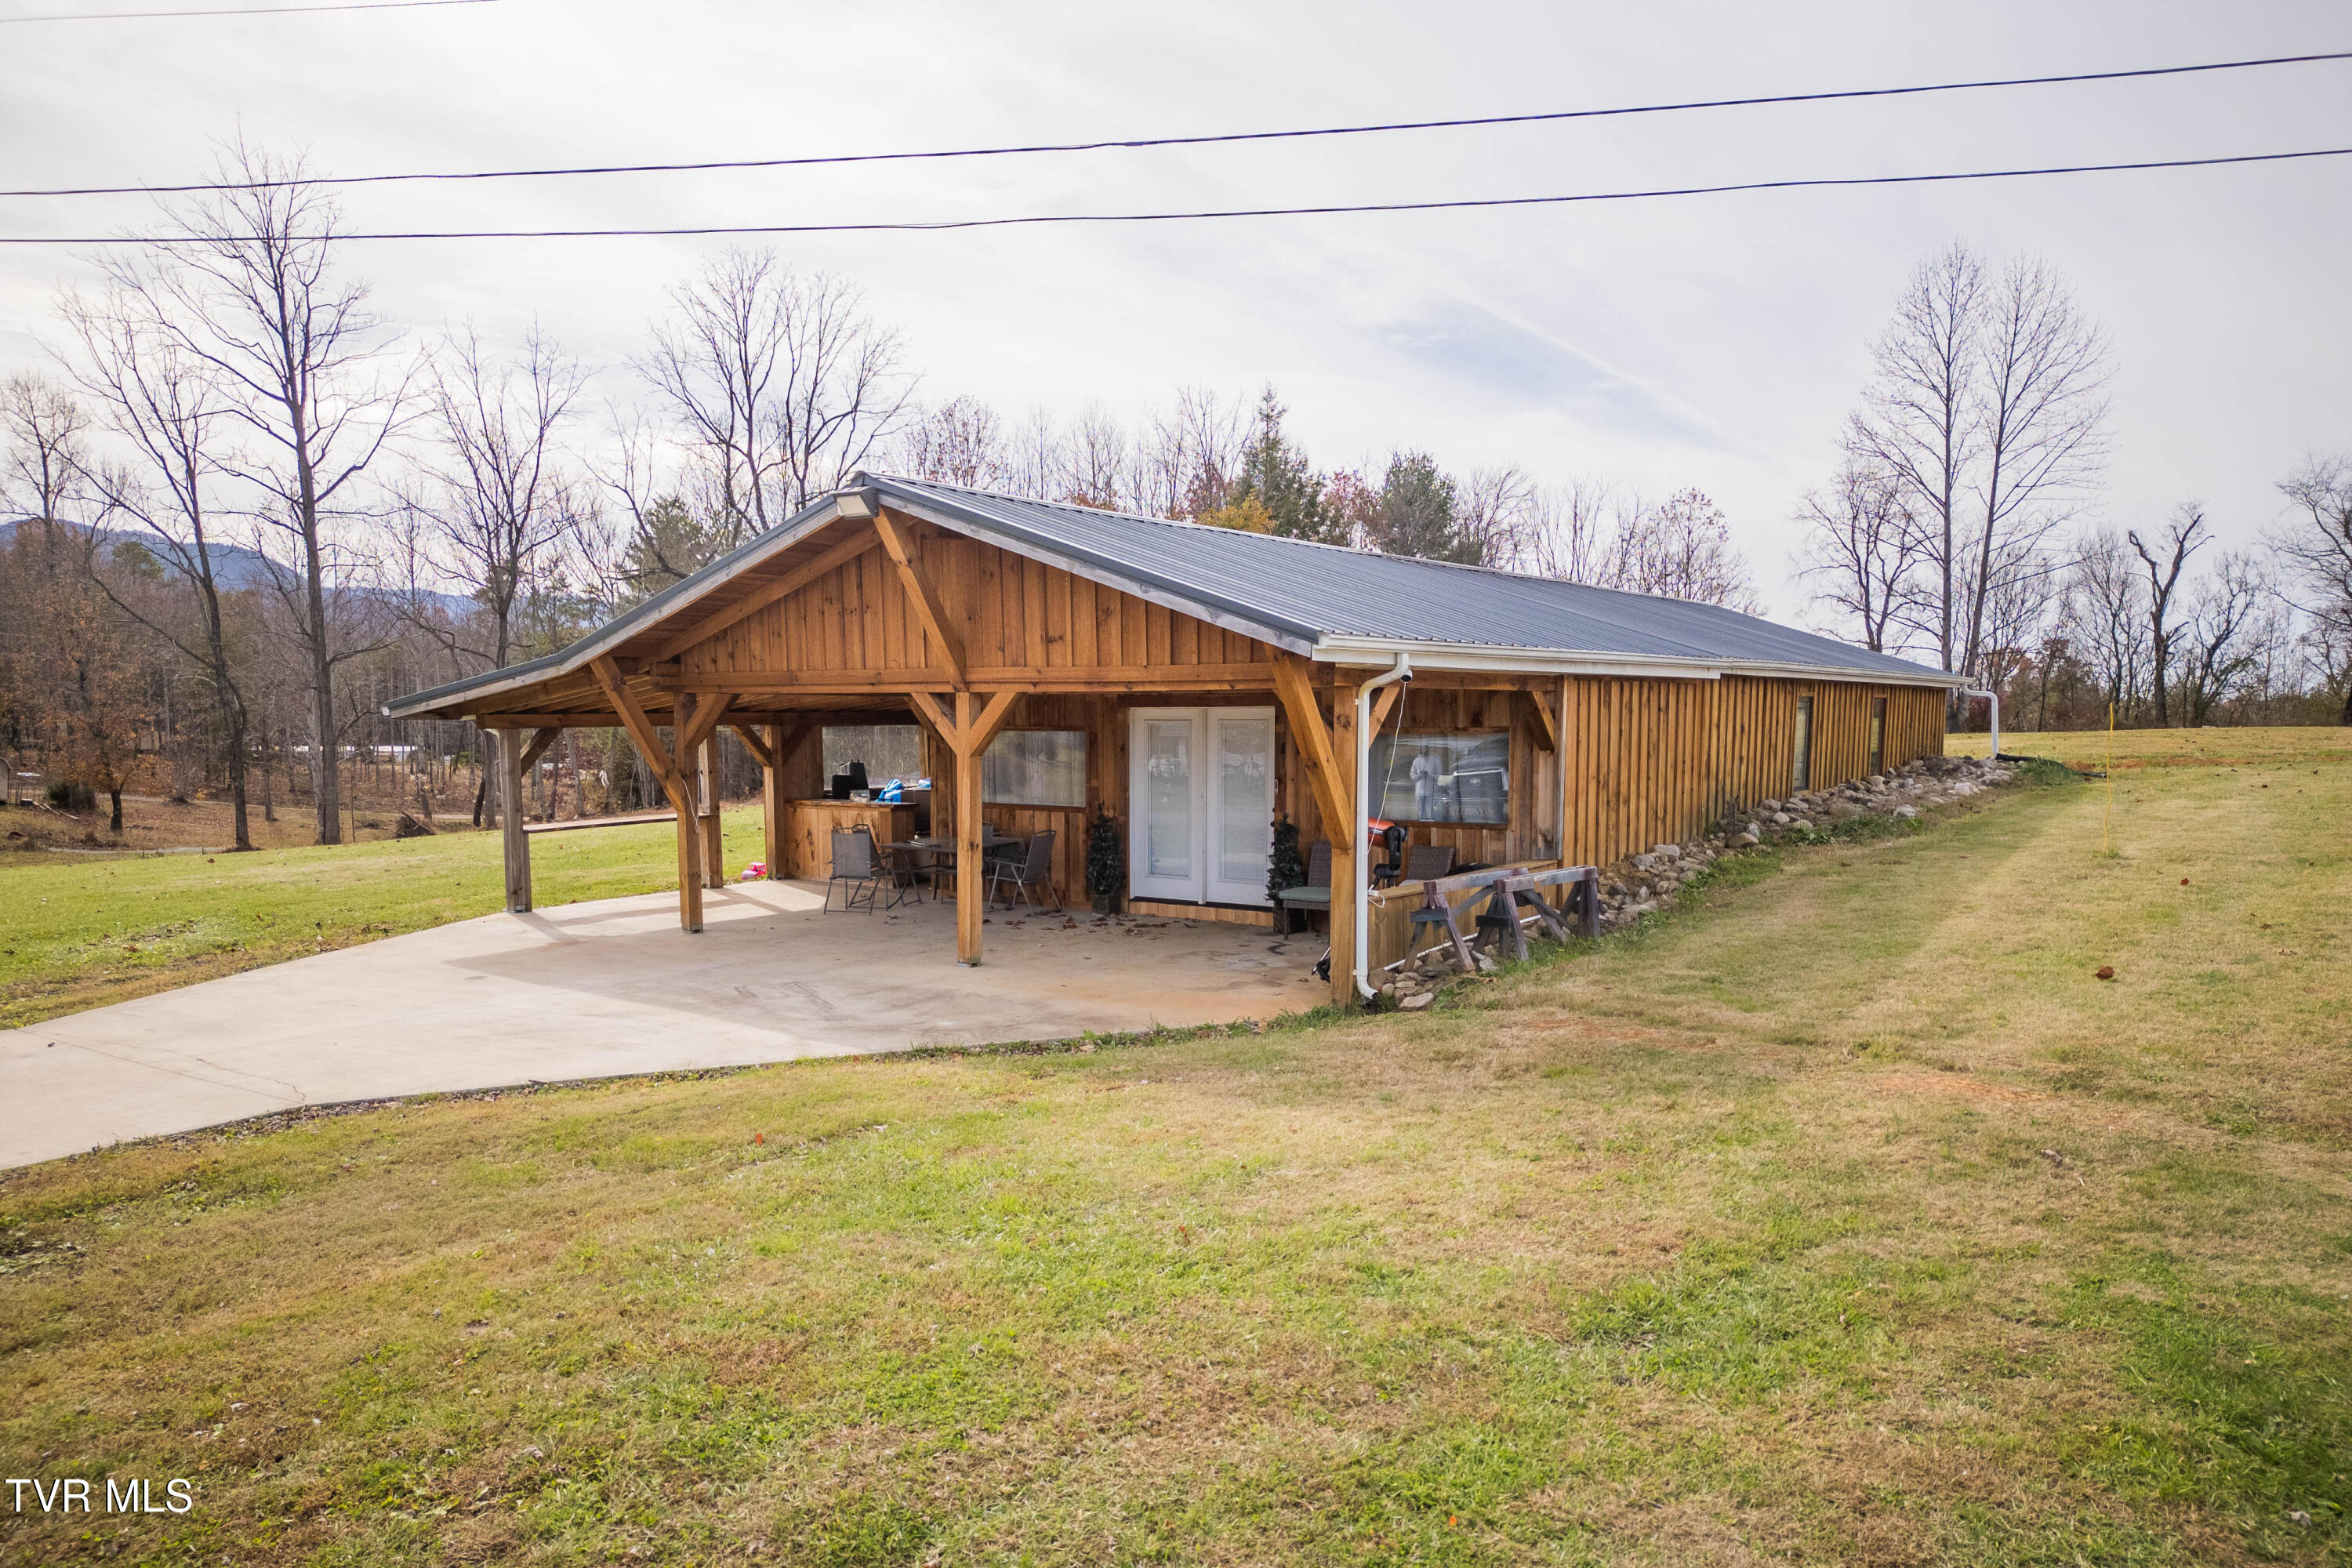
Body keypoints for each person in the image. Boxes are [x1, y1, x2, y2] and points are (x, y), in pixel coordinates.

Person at [1410, 746, 1442, 821]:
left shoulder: (1435, 761)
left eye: (1425, 748)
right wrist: (1419, 776)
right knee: (1421, 810)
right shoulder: (1416, 761)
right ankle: (1422, 823)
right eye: (1422, 748)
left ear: (1429, 749)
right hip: (1420, 791)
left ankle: (1432, 823)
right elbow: (1412, 775)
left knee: (1431, 810)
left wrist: (1429, 776)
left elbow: (1439, 776)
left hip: (1431, 791)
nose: (1424, 750)